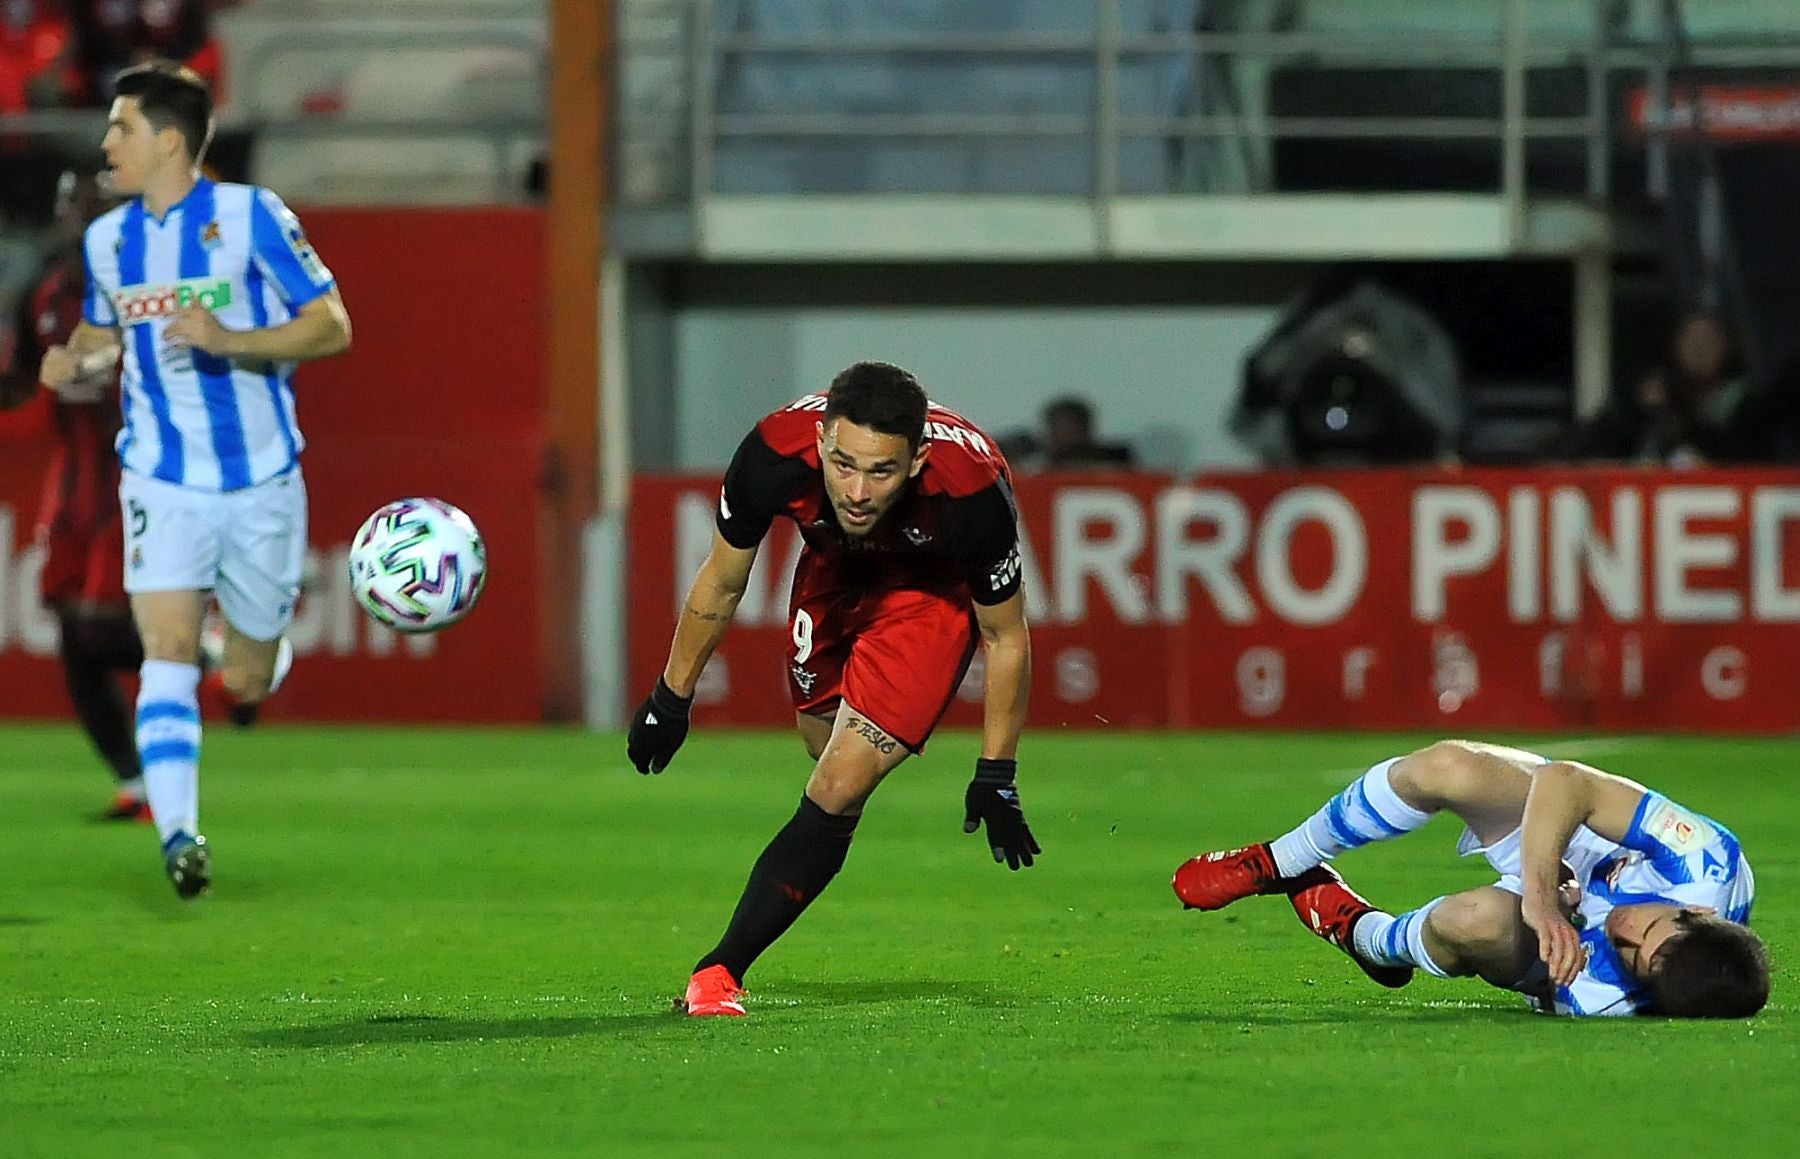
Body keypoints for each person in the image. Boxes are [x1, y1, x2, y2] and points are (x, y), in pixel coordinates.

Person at [628, 361, 1038, 1017]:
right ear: (820, 442)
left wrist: (997, 769)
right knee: (822, 744)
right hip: (833, 570)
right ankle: (824, 826)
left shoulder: (969, 492)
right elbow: (724, 580)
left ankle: (719, 969)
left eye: (880, 471)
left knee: (839, 784)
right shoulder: (771, 455)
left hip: (927, 598)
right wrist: (670, 697)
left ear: (917, 460)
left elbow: (1006, 635)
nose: (856, 489)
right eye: (843, 464)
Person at [38, 61, 352, 899]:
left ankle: (242, 648)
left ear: (170, 141)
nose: (107, 143)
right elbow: (109, 334)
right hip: (159, 477)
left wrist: (231, 340)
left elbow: (332, 325)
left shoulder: (253, 219)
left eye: (122, 128)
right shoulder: (110, 241)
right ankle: (179, 834)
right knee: (164, 652)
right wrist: (81, 355)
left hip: (260, 481)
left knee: (246, 678)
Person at [1172, 739, 1768, 1018]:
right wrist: (1540, 890)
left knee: (1473, 920)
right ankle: (1277, 861)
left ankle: (1367, 938)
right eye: (1653, 927)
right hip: (1584, 838)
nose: (1626, 929)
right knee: (1446, 766)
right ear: (1699, 913)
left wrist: (1554, 916)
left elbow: (1533, 969)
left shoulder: (1614, 999)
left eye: (1633, 956)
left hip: (1557, 917)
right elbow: (1570, 782)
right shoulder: (1707, 861)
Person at [0, 167, 150, 821]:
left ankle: (216, 645)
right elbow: (21, 380)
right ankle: (136, 782)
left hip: (139, 480)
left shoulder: (155, 293)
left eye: (100, 213)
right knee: (71, 633)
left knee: (99, 629)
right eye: (79, 212)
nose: (85, 225)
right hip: (76, 485)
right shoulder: (46, 296)